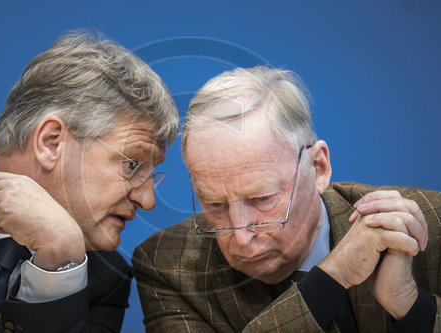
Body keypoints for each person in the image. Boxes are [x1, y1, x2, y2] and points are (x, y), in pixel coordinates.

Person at [132, 66, 440, 332]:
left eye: (262, 198)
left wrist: (413, 306)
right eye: (215, 205)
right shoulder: (168, 265)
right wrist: (334, 275)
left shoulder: (432, 221)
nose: (240, 237)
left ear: (318, 168)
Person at [0, 32, 179, 332]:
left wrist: (58, 265)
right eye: (132, 164)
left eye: (151, 175)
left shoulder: (102, 282)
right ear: (51, 142)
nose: (148, 200)